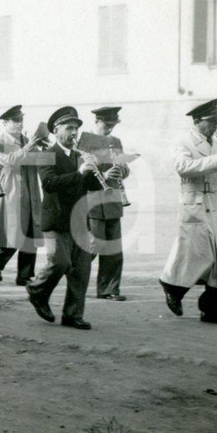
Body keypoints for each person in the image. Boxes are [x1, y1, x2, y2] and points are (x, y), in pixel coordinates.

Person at [159, 99, 217, 326]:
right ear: (197, 121)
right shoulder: (183, 141)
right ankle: (172, 287)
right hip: (194, 199)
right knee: (195, 253)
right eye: (212, 120)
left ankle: (212, 310)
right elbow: (183, 168)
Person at [25, 106, 104, 330]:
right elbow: (50, 184)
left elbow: (90, 186)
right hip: (56, 220)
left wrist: (101, 174)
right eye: (69, 128)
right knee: (60, 262)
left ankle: (72, 315)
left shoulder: (80, 156)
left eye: (76, 129)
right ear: (56, 130)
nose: (74, 133)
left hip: (79, 220)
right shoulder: (47, 155)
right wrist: (79, 173)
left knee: (81, 270)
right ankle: (37, 290)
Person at [0, 105, 45, 285]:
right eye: (16, 120)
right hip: (12, 189)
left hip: (31, 188)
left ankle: (25, 275)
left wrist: (42, 147)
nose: (20, 123)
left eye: (21, 119)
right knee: (12, 233)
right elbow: (8, 162)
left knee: (31, 232)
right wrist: (29, 147)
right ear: (5, 122)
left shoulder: (25, 139)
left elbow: (42, 161)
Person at [83, 106, 131, 301]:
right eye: (107, 124)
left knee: (113, 248)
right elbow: (83, 171)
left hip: (112, 199)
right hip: (93, 199)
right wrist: (103, 173)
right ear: (97, 121)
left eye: (113, 125)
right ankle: (70, 274)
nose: (110, 128)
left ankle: (109, 289)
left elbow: (125, 170)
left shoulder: (115, 142)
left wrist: (122, 169)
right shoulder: (86, 140)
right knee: (94, 246)